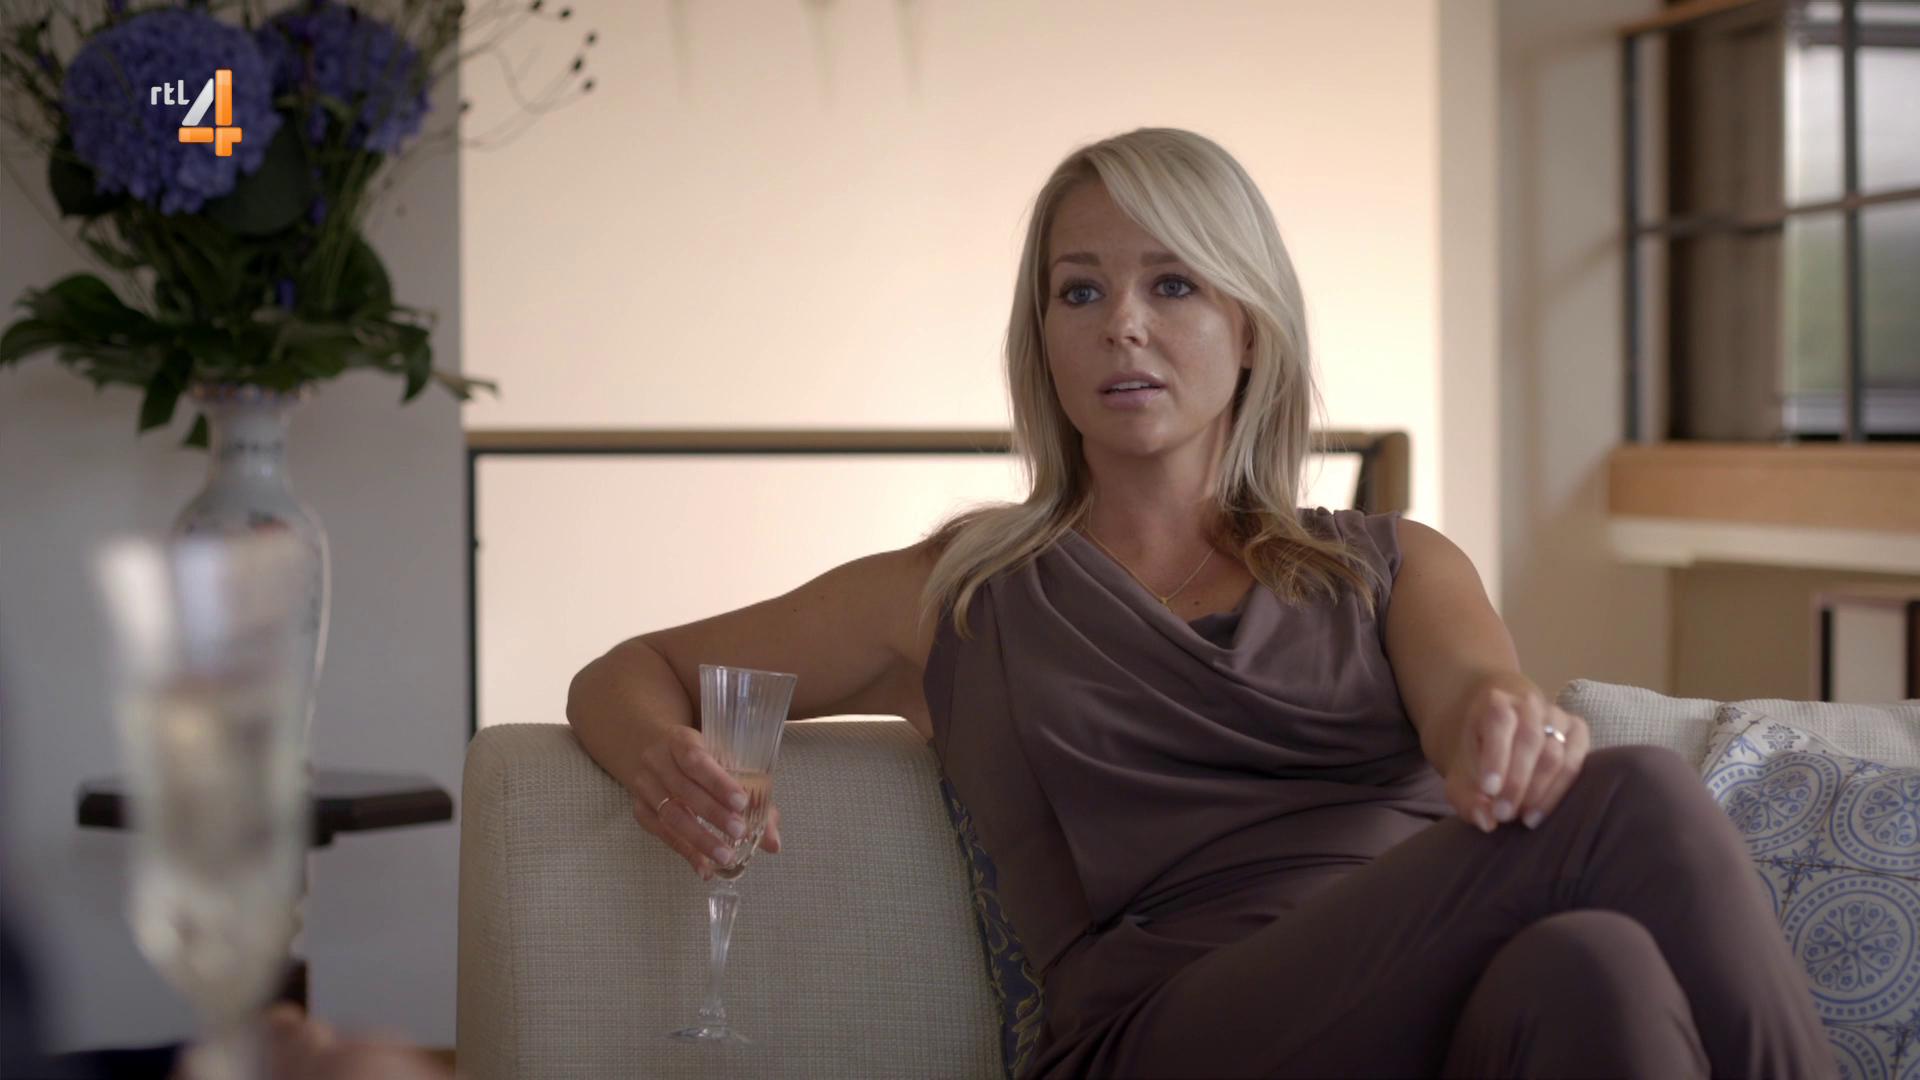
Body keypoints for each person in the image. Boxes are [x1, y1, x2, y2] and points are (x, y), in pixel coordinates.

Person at [566, 127, 1835, 1078]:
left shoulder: (1392, 565)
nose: (1122, 325)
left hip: (1424, 1012)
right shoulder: (957, 592)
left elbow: (1477, 706)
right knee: (1638, 797)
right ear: (1044, 340)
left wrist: (1509, 724)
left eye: (1173, 284)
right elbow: (631, 671)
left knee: (1594, 968)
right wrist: (665, 761)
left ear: (1251, 327)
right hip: (1165, 1034)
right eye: (1080, 291)